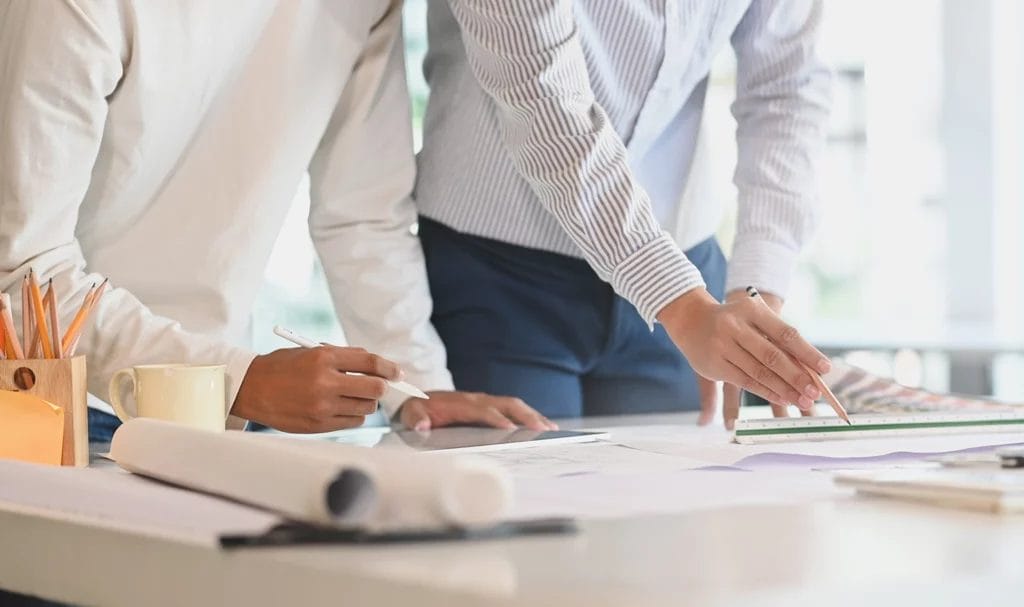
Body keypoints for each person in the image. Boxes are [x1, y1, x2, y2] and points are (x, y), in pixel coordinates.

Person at [0, 0, 555, 442]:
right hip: (48, 405)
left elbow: (362, 217)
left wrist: (416, 387)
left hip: (212, 411)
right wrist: (238, 381)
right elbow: (24, 275)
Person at [415, 0, 834, 428]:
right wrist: (684, 307)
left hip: (683, 264)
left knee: (674, 490)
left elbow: (787, 90)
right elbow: (544, 102)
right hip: (497, 270)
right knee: (513, 489)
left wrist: (756, 297)